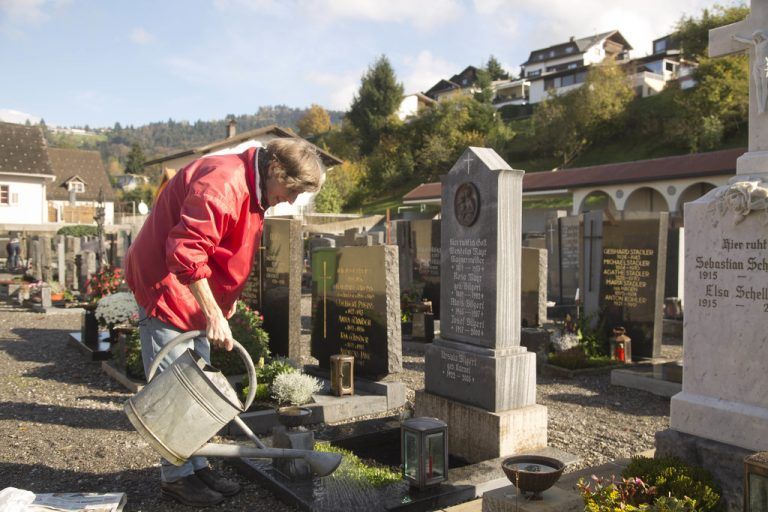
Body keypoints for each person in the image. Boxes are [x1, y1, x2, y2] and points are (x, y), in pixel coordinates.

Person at [124, 138, 324, 507]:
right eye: (292, 190)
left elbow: (226, 248)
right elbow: (186, 252)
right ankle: (177, 478)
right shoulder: (224, 182)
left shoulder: (253, 185)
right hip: (165, 285)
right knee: (176, 384)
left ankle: (195, 464)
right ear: (276, 170)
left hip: (187, 290)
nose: (291, 200)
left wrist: (224, 303)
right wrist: (213, 312)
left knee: (197, 377)